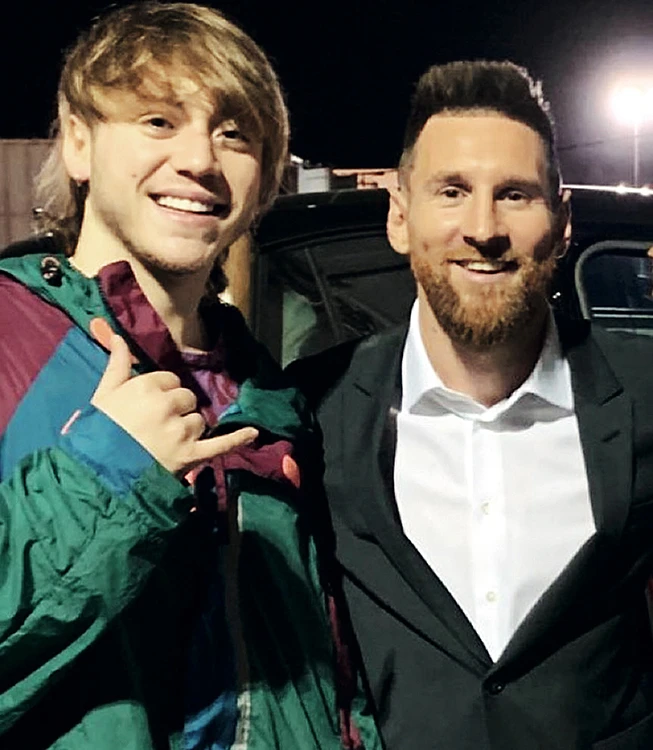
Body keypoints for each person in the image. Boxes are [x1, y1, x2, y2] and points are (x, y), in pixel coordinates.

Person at [0, 4, 380, 749]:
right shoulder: (11, 338)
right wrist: (111, 471)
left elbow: (329, 679)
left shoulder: (273, 400)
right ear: (78, 141)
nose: (201, 159)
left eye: (234, 133)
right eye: (158, 121)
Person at [291, 60, 653, 749]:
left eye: (514, 194)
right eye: (451, 191)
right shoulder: (314, 409)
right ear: (401, 216)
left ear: (562, 221)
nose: (483, 227)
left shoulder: (640, 391)